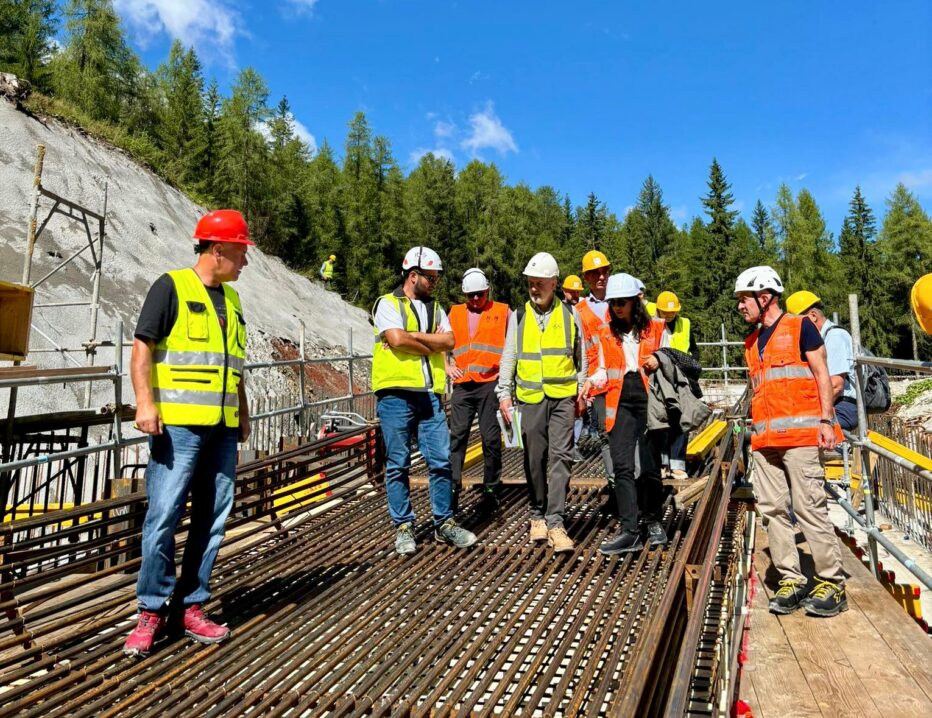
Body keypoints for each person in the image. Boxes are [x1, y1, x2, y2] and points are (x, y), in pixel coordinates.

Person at [123, 209, 253, 657]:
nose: (245, 263)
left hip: (222, 428)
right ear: (218, 250)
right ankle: (151, 609)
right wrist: (145, 403)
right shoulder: (171, 286)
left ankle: (191, 605)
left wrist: (244, 412)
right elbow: (143, 347)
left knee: (212, 518)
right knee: (163, 516)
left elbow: (232, 367)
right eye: (240, 252)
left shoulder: (233, 302)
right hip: (177, 426)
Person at [735, 266, 847, 617]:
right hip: (766, 442)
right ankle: (791, 579)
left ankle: (831, 582)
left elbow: (822, 376)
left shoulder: (802, 328)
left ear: (764, 297)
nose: (740, 306)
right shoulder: (751, 343)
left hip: (800, 437)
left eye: (744, 299)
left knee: (809, 508)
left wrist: (827, 420)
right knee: (772, 511)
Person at [372, 246, 477, 555]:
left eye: (437, 278)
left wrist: (413, 339)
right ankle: (404, 527)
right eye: (430, 278)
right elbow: (396, 339)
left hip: (429, 395)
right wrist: (426, 342)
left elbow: (449, 340)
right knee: (397, 463)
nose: (434, 283)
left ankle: (443, 523)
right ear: (413, 275)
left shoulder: (435, 308)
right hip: (394, 395)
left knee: (441, 460)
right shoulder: (387, 304)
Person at [497, 252, 588, 553]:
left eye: (539, 283)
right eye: (530, 284)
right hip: (531, 398)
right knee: (535, 458)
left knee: (561, 457)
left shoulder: (570, 314)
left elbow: (581, 356)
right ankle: (537, 514)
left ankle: (556, 522)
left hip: (562, 398)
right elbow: (509, 354)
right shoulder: (519, 315)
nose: (534, 289)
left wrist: (581, 392)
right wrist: (504, 393)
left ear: (553, 283)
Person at [595, 274, 669, 555]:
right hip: (619, 399)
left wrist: (659, 359)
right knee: (622, 466)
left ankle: (653, 521)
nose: (616, 307)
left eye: (622, 302)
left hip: (649, 397)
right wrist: (594, 380)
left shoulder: (657, 328)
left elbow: (676, 356)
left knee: (650, 466)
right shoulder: (605, 332)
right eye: (613, 302)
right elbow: (600, 366)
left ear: (636, 302)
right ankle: (630, 531)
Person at [447, 268, 510, 513]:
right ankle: (452, 488)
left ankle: (491, 488)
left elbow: (513, 345)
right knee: (457, 437)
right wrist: (447, 365)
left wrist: (507, 384)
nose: (475, 299)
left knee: (491, 439)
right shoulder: (454, 313)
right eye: (471, 295)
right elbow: (440, 341)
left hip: (490, 383)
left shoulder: (502, 311)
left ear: (487, 291)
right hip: (463, 384)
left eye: (480, 294)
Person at [786, 291, 858, 431]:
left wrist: (809, 410)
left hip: (844, 406)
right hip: (836, 403)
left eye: (798, 322)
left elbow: (836, 385)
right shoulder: (822, 339)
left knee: (802, 429)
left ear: (813, 316)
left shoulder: (835, 337)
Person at [576, 251, 615, 500]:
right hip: (597, 383)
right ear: (587, 277)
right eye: (595, 273)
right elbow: (578, 351)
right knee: (605, 435)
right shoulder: (578, 310)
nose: (601, 277)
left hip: (624, 379)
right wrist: (581, 386)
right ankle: (615, 487)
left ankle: (629, 484)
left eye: (604, 271)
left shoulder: (621, 300)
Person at [655, 290, 698, 479]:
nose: (669, 315)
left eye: (672, 312)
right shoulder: (652, 325)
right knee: (660, 421)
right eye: (665, 311)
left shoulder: (685, 324)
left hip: (681, 380)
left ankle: (678, 465)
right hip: (660, 379)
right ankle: (662, 464)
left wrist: (691, 366)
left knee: (681, 421)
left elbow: (694, 350)